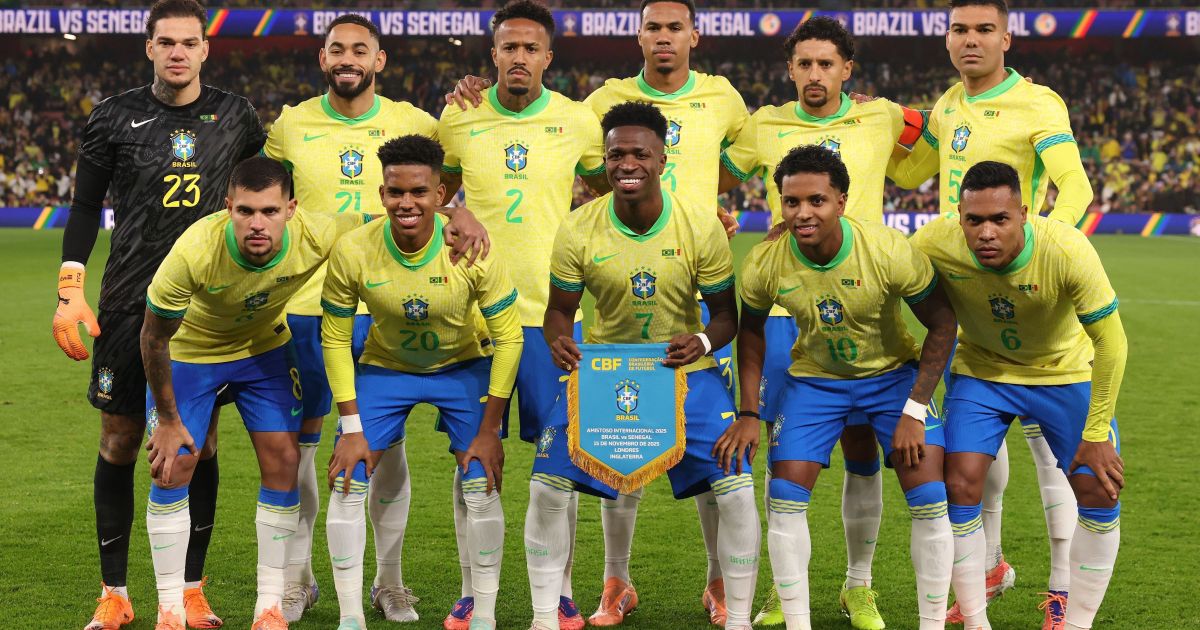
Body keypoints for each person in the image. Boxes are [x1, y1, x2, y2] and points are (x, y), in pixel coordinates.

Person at [261, 13, 487, 623]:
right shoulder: (290, 126)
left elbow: (442, 186)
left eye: (359, 49)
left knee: (385, 447)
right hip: (309, 308)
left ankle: (389, 581)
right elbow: (268, 200)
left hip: (391, 306)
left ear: (378, 60)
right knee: (306, 449)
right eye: (337, 48)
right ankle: (299, 579)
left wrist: (461, 212)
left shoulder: (415, 121)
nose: (347, 58)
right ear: (322, 57)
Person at [51, 2, 265, 628]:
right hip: (128, 300)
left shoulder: (237, 115)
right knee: (119, 439)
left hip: (208, 306)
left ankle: (192, 590)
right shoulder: (113, 116)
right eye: (166, 42)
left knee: (201, 442)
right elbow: (84, 206)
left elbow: (268, 191)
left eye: (189, 42)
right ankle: (114, 592)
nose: (177, 52)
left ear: (205, 49)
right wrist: (70, 286)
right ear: (149, 47)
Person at [885, 1, 1094, 623]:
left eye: (983, 30)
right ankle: (992, 565)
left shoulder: (1038, 103)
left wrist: (1046, 251)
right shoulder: (948, 105)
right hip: (967, 295)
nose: (970, 40)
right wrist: (879, 125)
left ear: (1006, 38)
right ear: (946, 38)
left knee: (1049, 456)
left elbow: (1076, 187)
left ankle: (1061, 588)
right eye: (959, 30)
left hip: (1030, 298)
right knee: (976, 451)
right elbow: (909, 172)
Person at [717, 17, 924, 628]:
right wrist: (714, 212)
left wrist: (920, 119)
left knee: (862, 451)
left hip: (865, 306)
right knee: (781, 453)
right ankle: (786, 589)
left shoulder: (881, 115)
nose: (815, 74)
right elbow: (711, 173)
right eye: (804, 64)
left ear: (847, 69)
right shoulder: (764, 124)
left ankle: (859, 585)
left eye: (826, 64)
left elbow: (933, 149)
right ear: (790, 70)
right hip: (788, 308)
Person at [529, 101, 760, 630]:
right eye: (616, 155)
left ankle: (732, 604)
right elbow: (559, 311)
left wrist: (702, 339)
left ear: (661, 159)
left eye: (639, 154)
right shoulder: (579, 226)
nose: (626, 164)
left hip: (684, 374)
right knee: (545, 485)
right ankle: (561, 610)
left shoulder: (698, 224)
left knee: (735, 484)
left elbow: (727, 316)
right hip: (604, 372)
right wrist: (559, 340)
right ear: (605, 160)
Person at [729, 144, 956, 630]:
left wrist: (915, 409)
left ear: (841, 202)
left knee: (930, 496)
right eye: (792, 202)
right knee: (784, 494)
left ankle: (921, 619)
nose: (803, 213)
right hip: (816, 380)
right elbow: (750, 332)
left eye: (817, 200)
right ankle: (797, 620)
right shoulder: (766, 262)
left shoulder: (888, 250)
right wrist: (748, 412)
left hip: (892, 377)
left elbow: (942, 323)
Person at [139, 156, 369, 630]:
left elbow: (389, 220)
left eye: (269, 211)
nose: (257, 223)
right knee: (172, 465)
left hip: (263, 349)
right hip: (191, 354)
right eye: (245, 211)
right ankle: (169, 610)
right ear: (228, 208)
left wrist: (456, 215)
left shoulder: (316, 233)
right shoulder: (195, 251)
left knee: (284, 459)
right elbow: (153, 338)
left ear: (291, 209)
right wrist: (167, 420)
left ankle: (269, 607)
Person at [435, 2, 608, 628]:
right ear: (493, 54)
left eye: (531, 48)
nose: (519, 57)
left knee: (558, 465)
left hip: (550, 317)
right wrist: (453, 210)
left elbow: (615, 193)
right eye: (508, 47)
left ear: (547, 58)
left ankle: (560, 590)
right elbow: (428, 192)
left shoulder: (577, 120)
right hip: (471, 318)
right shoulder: (459, 116)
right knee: (472, 462)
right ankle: (471, 591)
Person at [909, 161, 1126, 630]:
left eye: (1000, 219)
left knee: (1099, 489)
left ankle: (1076, 624)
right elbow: (883, 266)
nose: (986, 232)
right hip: (983, 373)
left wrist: (1096, 433)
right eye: (974, 220)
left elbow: (1112, 342)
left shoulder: (1065, 249)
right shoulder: (935, 242)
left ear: (1024, 215)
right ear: (959, 217)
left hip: (1063, 372)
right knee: (960, 484)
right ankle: (975, 620)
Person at [320, 134, 522, 630]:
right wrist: (351, 429)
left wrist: (490, 430)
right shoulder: (354, 249)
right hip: (386, 368)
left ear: (440, 194)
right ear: (382, 193)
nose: (406, 203)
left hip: (461, 367)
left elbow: (509, 339)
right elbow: (335, 337)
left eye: (418, 192)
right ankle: (351, 618)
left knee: (481, 483)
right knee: (348, 479)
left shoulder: (472, 248)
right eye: (395, 192)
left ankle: (484, 617)